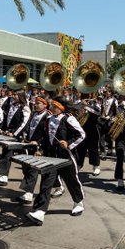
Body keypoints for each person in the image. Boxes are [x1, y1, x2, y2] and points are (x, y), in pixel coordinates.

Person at [26, 96, 86, 226]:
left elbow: (81, 134)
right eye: (51, 105)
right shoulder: (48, 119)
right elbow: (47, 138)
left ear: (60, 108)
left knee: (72, 180)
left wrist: (68, 143)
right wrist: (41, 150)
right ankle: (40, 212)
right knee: (46, 182)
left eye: (53, 106)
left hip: (66, 156)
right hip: (51, 156)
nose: (51, 107)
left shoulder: (69, 118)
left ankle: (78, 202)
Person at [0, 90, 31, 186]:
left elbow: (24, 123)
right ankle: (4, 176)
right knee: (6, 153)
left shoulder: (25, 108)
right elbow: (7, 119)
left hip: (19, 136)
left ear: (20, 96)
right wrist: (3, 129)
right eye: (13, 94)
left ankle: (29, 178)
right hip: (9, 134)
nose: (13, 96)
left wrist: (14, 134)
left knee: (24, 159)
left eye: (15, 94)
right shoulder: (12, 106)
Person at [76, 93, 102, 175]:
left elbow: (98, 113)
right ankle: (79, 164)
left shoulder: (95, 103)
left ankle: (96, 166)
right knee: (80, 148)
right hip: (81, 129)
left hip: (92, 129)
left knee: (93, 149)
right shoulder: (79, 103)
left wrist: (86, 106)